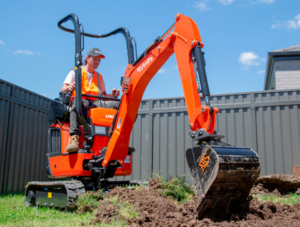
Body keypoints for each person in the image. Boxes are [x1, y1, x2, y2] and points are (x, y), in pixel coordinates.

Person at [61, 48, 120, 152]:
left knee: (118, 104)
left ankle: (117, 138)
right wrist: (69, 87)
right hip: (81, 102)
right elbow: (63, 89)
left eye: (99, 60)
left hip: (95, 103)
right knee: (77, 102)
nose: (97, 62)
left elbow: (104, 95)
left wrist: (113, 95)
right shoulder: (76, 71)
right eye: (95, 59)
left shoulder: (99, 76)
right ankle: (74, 137)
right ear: (87, 58)